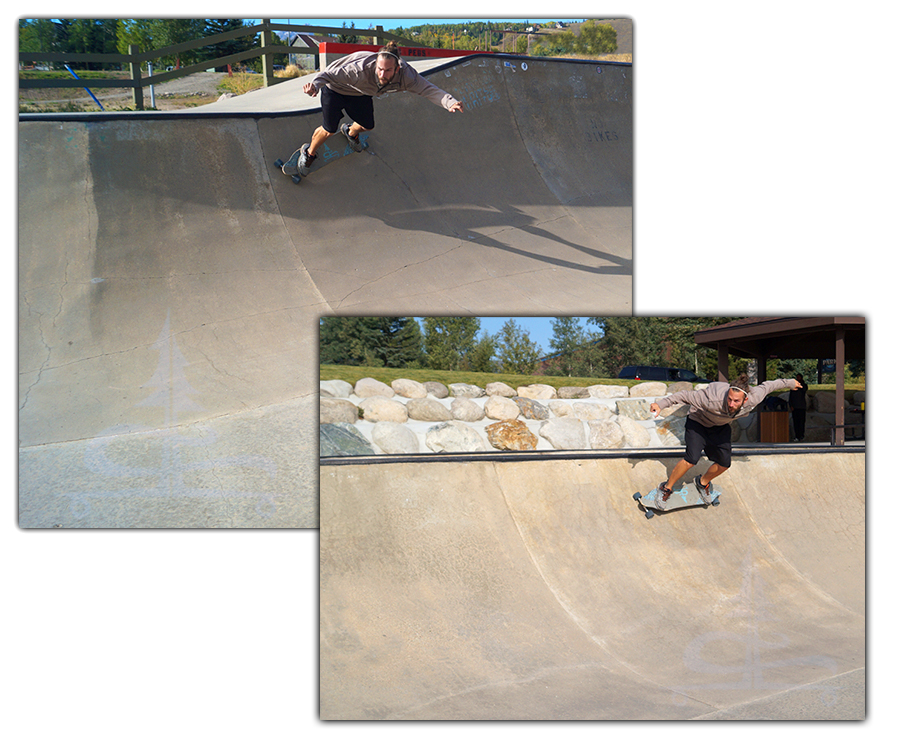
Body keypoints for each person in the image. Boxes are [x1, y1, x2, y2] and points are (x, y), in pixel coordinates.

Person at [299, 41, 465, 173]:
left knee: (367, 125)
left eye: (387, 71)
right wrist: (314, 86)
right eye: (379, 69)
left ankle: (350, 132)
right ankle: (308, 153)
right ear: (375, 64)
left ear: (397, 68)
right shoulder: (358, 70)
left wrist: (450, 102)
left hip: (361, 93)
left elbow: (428, 89)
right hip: (335, 88)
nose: (382, 75)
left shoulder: (407, 76)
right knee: (329, 129)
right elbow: (327, 75)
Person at [649, 374, 803, 501]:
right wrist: (660, 404)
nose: (731, 404)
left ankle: (702, 483)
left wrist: (790, 383)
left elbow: (770, 385)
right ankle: (666, 487)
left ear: (745, 400)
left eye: (736, 401)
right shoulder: (711, 399)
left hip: (719, 427)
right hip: (698, 422)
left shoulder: (755, 397)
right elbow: (683, 395)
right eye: (729, 399)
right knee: (692, 458)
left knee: (724, 463)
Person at [788, 373, 809, 441]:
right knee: (795, 422)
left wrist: (800, 384)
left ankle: (801, 435)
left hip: (801, 406)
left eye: (799, 377)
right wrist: (791, 405)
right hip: (795, 407)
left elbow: (804, 390)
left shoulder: (804, 385)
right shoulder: (793, 388)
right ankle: (797, 436)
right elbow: (790, 397)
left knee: (801, 422)